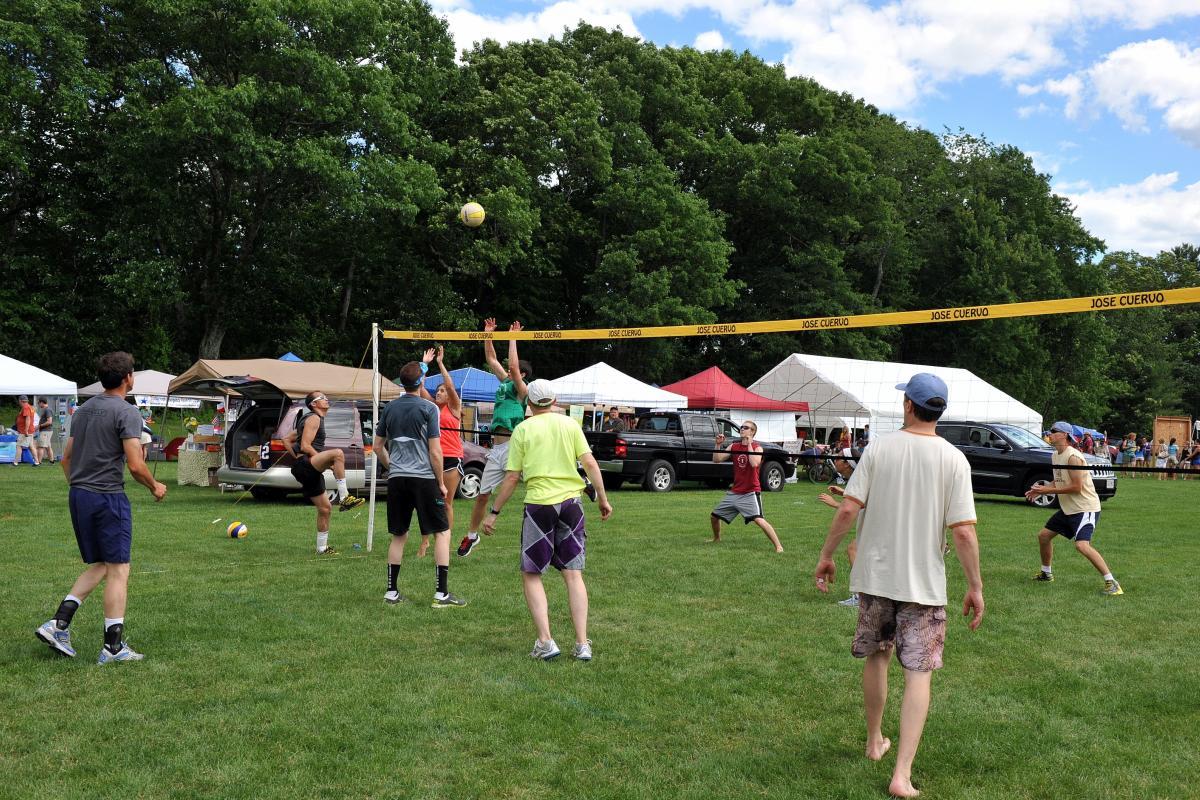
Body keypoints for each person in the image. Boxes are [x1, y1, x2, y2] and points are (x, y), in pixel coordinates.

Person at [813, 373, 983, 799]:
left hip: (875, 578)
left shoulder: (880, 449)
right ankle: (900, 774)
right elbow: (962, 533)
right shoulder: (954, 459)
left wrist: (826, 555)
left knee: (877, 656)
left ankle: (875, 742)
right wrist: (975, 586)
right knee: (919, 673)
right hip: (923, 585)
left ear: (909, 405)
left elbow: (848, 509)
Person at [35, 352, 167, 663]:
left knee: (102, 565)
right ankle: (113, 648)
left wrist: (80, 486)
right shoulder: (127, 412)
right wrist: (155, 486)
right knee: (119, 568)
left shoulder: (83, 410)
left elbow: (66, 459)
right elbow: (135, 465)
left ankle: (58, 624)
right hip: (107, 497)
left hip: (79, 495)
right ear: (128, 379)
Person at [481, 379, 612, 659]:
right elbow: (589, 463)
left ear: (529, 403)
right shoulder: (569, 425)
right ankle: (582, 644)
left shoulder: (523, 430)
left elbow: (512, 477)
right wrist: (602, 498)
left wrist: (494, 513)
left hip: (540, 505)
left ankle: (545, 642)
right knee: (573, 574)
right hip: (571, 503)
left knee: (531, 573)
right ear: (553, 401)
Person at [375, 360, 465, 608]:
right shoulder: (429, 408)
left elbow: (377, 447)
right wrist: (441, 483)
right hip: (424, 478)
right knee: (442, 532)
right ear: (420, 382)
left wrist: (392, 466)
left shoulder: (390, 407)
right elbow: (436, 453)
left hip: (398, 479)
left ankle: (391, 592)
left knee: (399, 535)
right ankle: (441, 594)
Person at [459, 319, 529, 558]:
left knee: (522, 479)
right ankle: (471, 536)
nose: (507, 371)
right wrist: (487, 335)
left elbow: (513, 365)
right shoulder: (505, 383)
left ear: (522, 374)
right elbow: (491, 359)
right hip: (496, 449)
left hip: (513, 446)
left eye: (513, 371)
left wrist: (512, 338)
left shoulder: (522, 391)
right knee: (482, 495)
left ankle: (494, 516)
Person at [1027, 421, 1123, 596]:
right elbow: (1060, 479)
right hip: (1068, 508)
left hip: (1085, 508)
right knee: (1043, 536)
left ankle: (1112, 583)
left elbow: (1077, 486)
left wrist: (1048, 490)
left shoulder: (1073, 457)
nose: (1050, 434)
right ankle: (1046, 573)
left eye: (1054, 431)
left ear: (1064, 435)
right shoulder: (1055, 455)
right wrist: (1041, 489)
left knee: (1082, 545)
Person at [288, 391, 366, 555]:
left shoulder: (310, 419)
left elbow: (286, 439)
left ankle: (322, 549)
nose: (326, 399)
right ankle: (344, 497)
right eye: (322, 398)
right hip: (305, 465)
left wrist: (299, 458)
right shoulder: (314, 418)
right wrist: (307, 459)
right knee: (338, 453)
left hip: (305, 467)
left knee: (325, 509)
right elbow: (305, 446)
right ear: (314, 404)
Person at [709, 420, 784, 553]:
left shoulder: (757, 448)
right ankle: (717, 538)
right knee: (714, 516)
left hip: (750, 492)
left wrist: (749, 444)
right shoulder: (734, 446)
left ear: (752, 432)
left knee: (759, 520)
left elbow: (754, 463)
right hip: (735, 492)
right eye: (741, 427)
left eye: (746, 427)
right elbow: (716, 459)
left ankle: (778, 546)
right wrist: (718, 444)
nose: (742, 429)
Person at [416, 346, 463, 559]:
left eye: (442, 390)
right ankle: (425, 542)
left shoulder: (454, 407)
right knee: (427, 502)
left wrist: (441, 363)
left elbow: (451, 386)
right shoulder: (433, 407)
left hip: (451, 457)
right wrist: (423, 363)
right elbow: (418, 388)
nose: (440, 392)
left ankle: (445, 541)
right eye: (439, 390)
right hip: (433, 457)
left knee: (445, 503)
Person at [817, 448, 860, 607]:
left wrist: (835, 504)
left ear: (847, 464)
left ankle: (861, 596)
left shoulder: (858, 479)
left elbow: (853, 508)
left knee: (853, 550)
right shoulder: (858, 477)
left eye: (839, 457)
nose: (835, 459)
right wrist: (844, 493)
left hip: (882, 523)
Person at [15, 395, 40, 466]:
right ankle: (37, 462)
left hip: (25, 431)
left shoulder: (26, 407)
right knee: (31, 446)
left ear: (20, 401)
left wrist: (26, 430)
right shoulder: (29, 407)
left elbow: (28, 419)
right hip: (30, 430)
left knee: (19, 446)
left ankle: (15, 462)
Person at [36, 398, 56, 464]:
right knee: (48, 447)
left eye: (38, 403)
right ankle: (51, 461)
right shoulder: (47, 410)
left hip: (46, 431)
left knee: (40, 446)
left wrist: (40, 426)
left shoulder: (47, 410)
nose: (38, 405)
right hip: (47, 431)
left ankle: (38, 462)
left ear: (42, 402)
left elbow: (49, 422)